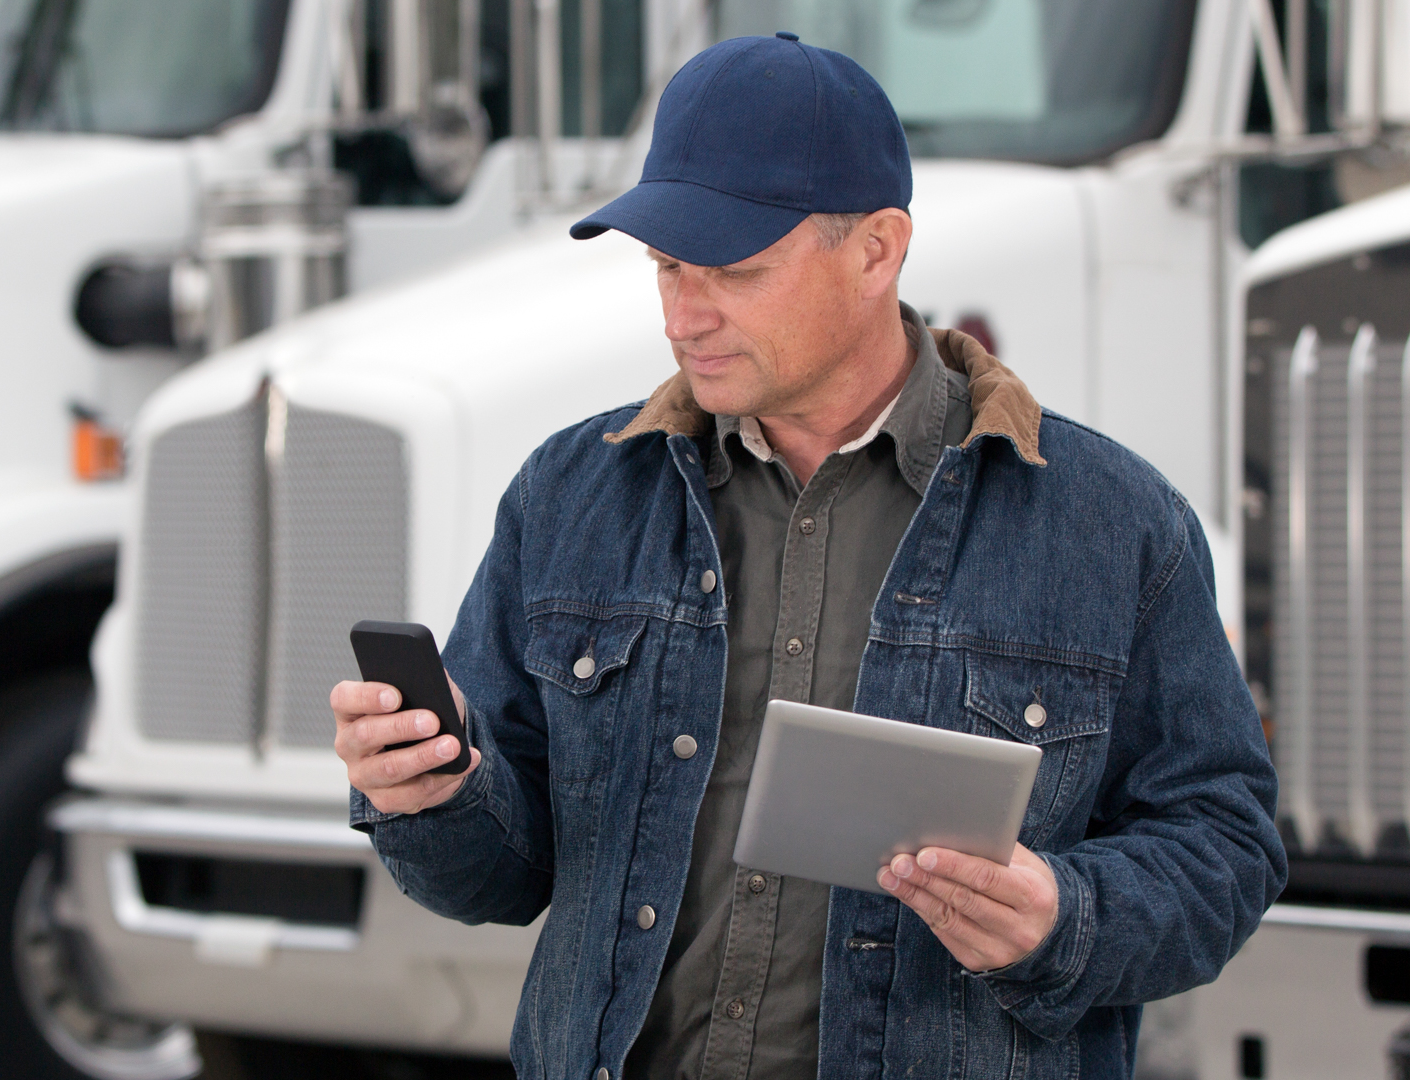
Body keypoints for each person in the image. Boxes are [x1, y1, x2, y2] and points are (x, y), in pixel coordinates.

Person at [330, 33, 1284, 1080]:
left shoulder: (1112, 523)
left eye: (736, 271)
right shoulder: (571, 495)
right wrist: (435, 791)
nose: (684, 315)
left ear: (878, 250)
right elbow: (499, 882)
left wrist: (1066, 915)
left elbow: (1225, 849)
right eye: (666, 267)